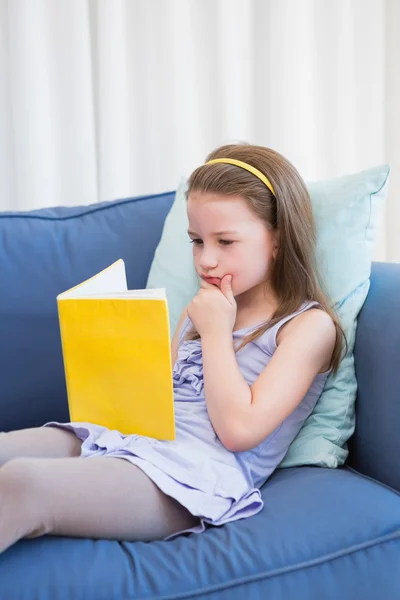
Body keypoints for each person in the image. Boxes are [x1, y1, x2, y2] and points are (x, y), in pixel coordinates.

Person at [0, 143, 345, 554]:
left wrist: (217, 333)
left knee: (23, 482)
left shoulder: (308, 327)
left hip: (192, 476)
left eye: (226, 242)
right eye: (197, 241)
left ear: (277, 239)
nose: (206, 260)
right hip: (134, 441)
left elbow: (238, 432)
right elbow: (154, 403)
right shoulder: (199, 311)